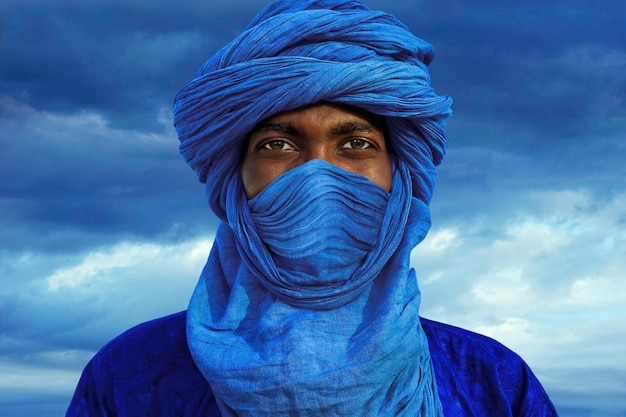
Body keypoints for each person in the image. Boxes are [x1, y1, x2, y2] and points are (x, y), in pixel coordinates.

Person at [66, 0, 559, 416]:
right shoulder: (130, 376)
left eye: (357, 144)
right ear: (235, 179)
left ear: (400, 178)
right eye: (278, 145)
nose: (317, 177)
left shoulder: (492, 383)